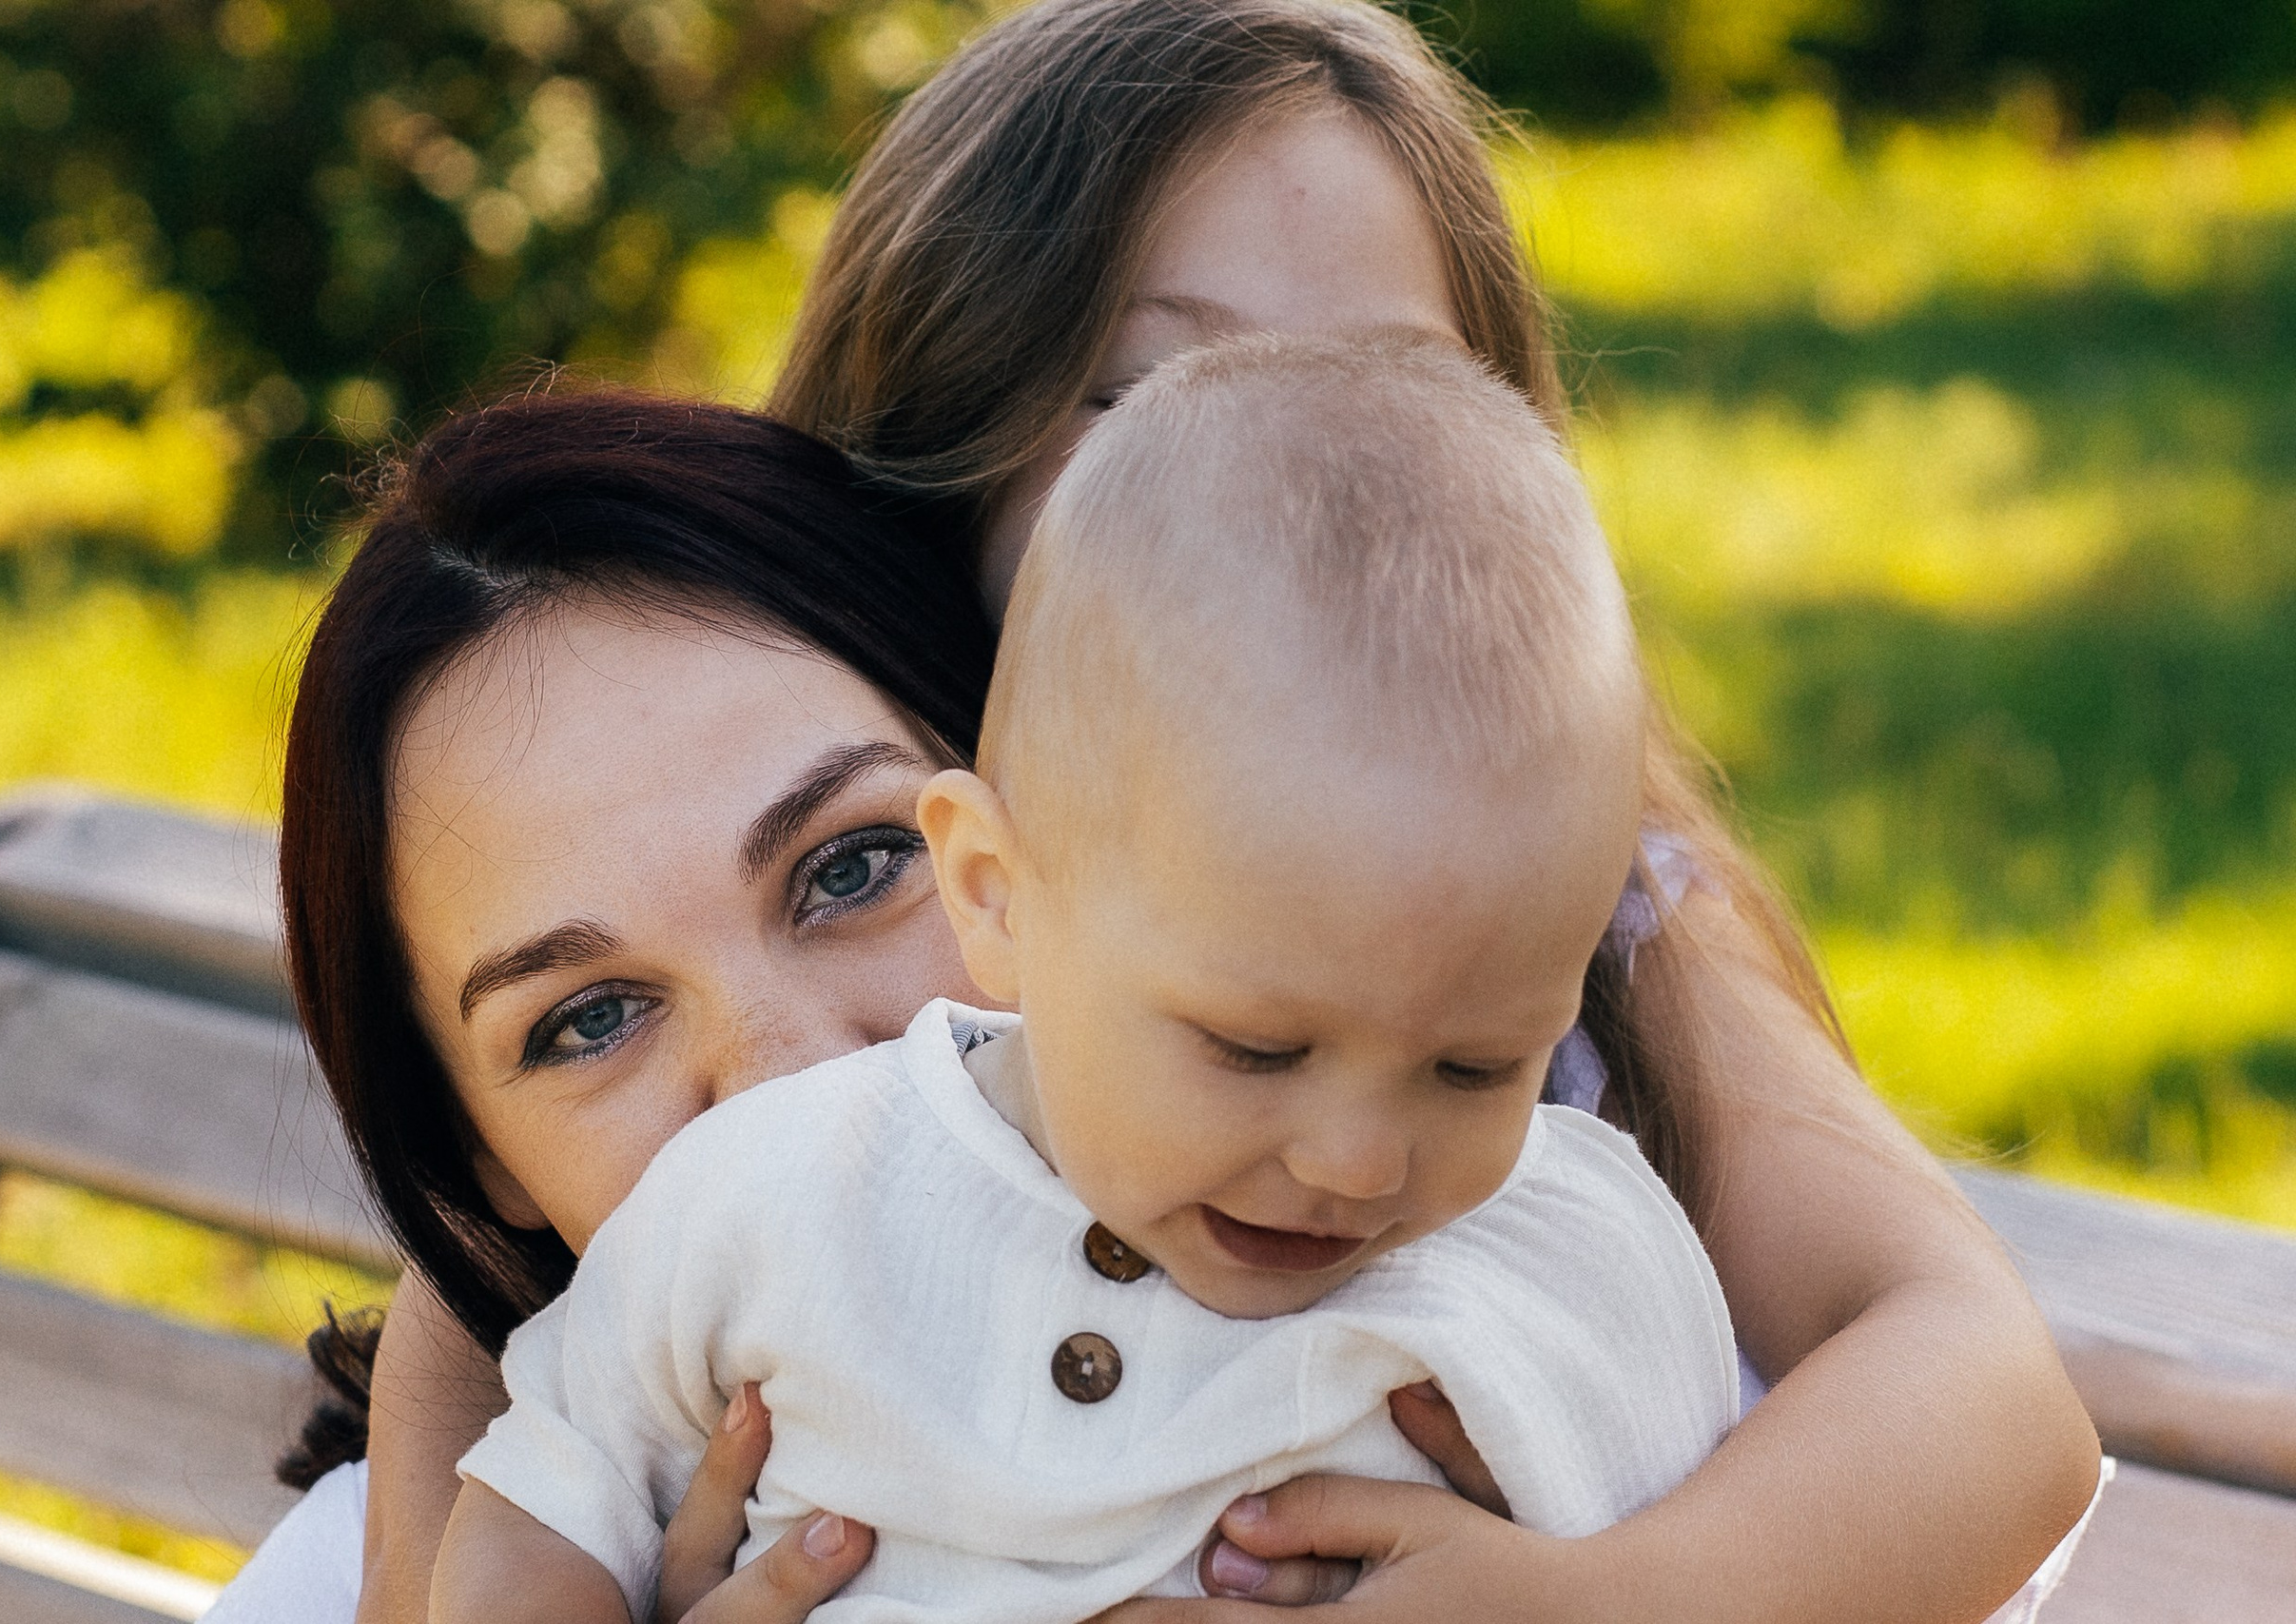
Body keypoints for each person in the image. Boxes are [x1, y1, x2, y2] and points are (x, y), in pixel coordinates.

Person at [427, 334, 1741, 1624]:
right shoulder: (769, 1195)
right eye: (1255, 1049)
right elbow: (549, 1485)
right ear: (995, 890)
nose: (1358, 1161)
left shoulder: (1575, 1263)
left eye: (1476, 1066)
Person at [203, 386, 994, 1622]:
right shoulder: (395, 1570)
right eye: (591, 1020)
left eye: (852, 868)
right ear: (486, 1168)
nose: (787, 1080)